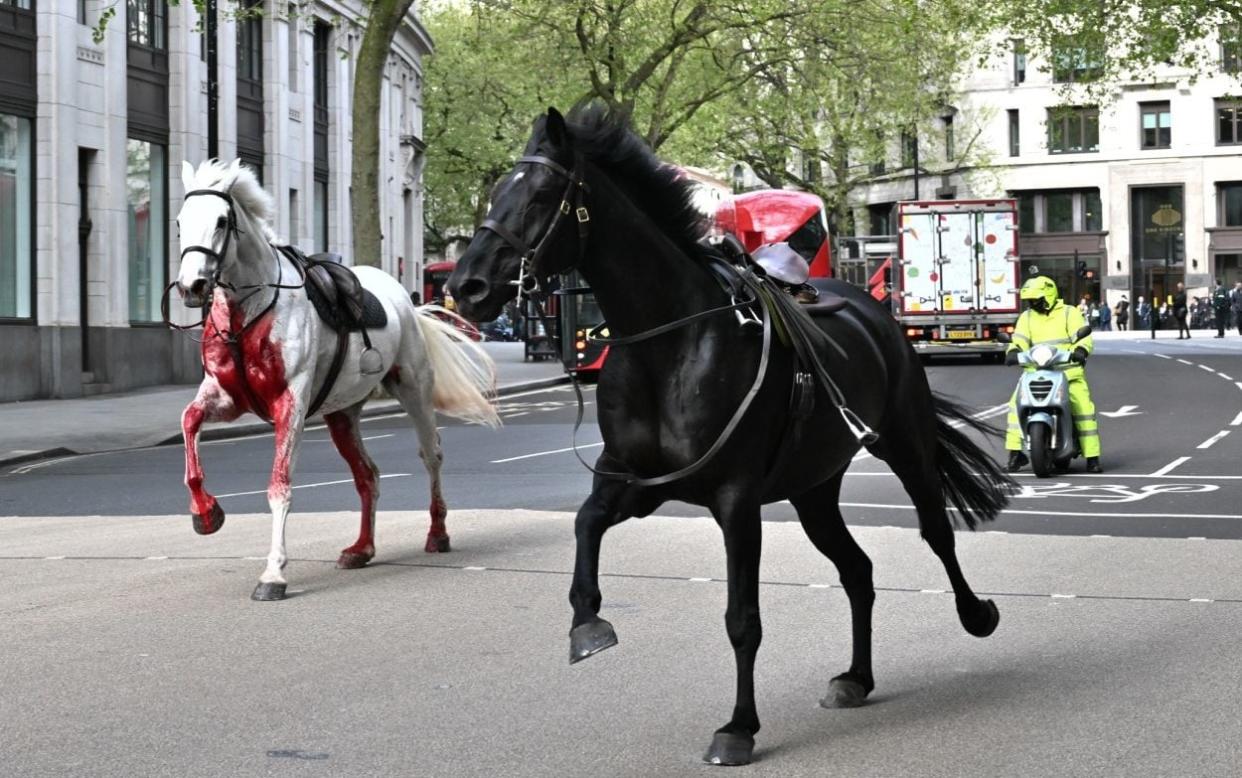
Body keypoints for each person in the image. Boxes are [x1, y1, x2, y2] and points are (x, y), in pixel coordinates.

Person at [1004, 275, 1102, 474]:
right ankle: (1015, 454)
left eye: (1036, 299)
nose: (1032, 303)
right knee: (1015, 407)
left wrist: (1081, 350)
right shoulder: (1027, 317)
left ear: (1048, 295)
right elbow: (1019, 340)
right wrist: (1012, 352)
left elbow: (1083, 336)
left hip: (1068, 373)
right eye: (1029, 300)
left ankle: (1092, 457)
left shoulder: (1069, 313)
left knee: (1083, 409)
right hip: (1035, 372)